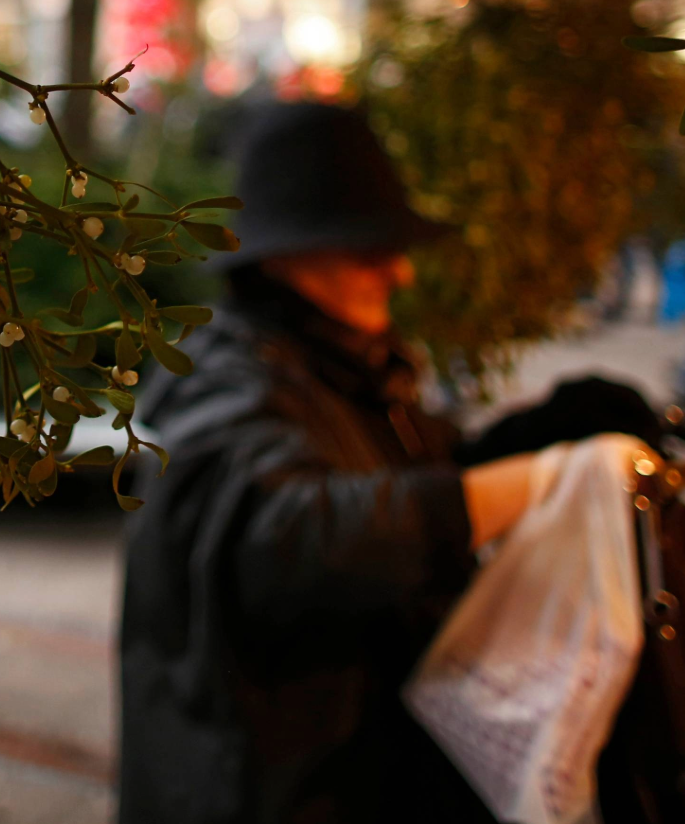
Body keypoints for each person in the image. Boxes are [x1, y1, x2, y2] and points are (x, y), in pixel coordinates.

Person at [120, 102, 541, 824]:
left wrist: (533, 442)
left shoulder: (348, 365)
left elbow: (403, 467)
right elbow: (287, 532)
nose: (401, 273)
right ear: (289, 254)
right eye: (371, 248)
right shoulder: (224, 384)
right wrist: (531, 488)